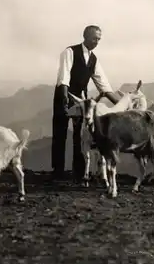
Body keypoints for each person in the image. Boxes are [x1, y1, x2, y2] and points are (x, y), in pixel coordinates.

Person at [51, 25, 120, 182]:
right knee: (60, 133)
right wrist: (64, 103)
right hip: (64, 96)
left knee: (81, 135)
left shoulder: (94, 60)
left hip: (82, 101)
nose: (97, 42)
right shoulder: (69, 52)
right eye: (94, 38)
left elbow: (104, 86)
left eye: (99, 39)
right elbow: (63, 79)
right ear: (85, 36)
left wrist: (121, 105)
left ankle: (79, 172)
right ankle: (57, 171)